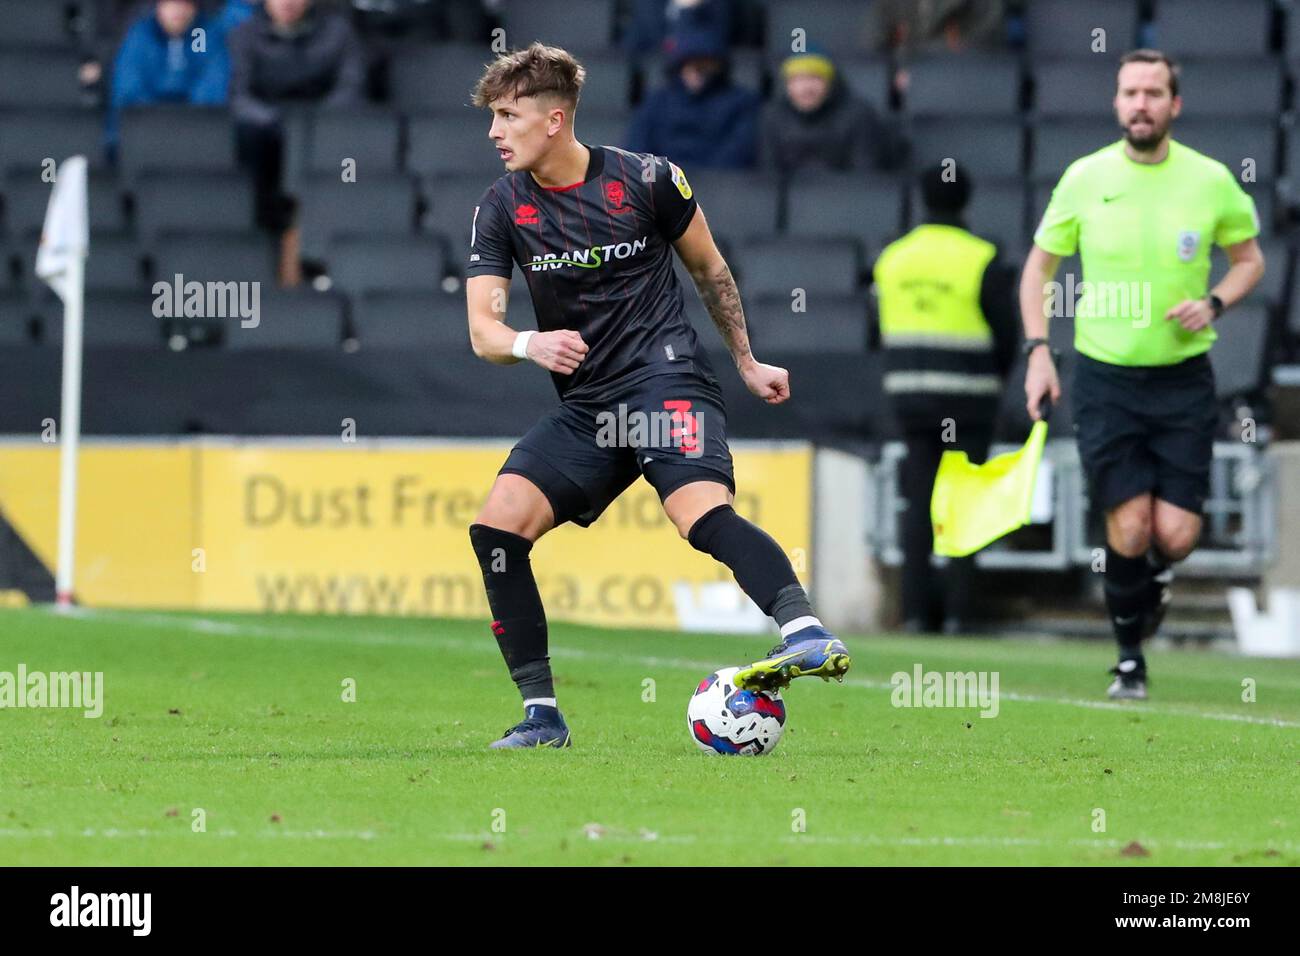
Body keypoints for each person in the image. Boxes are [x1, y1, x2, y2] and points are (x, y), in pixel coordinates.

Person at [463, 43, 850, 749]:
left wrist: (746, 359)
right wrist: (529, 343)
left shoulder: (648, 179)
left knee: (698, 516)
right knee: (497, 531)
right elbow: (483, 331)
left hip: (665, 379)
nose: (494, 131)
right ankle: (543, 717)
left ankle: (804, 631)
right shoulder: (500, 207)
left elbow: (710, 269)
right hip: (588, 405)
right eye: (493, 115)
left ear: (554, 120)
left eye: (507, 115)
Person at [1023, 50, 1265, 699]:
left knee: (1176, 536)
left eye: (1154, 93)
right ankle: (1130, 660)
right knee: (1129, 527)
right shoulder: (1085, 177)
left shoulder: (1211, 181)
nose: (1140, 103)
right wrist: (1039, 350)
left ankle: (1155, 576)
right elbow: (1038, 271)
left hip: (1183, 378)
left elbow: (1250, 261)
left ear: (1174, 105)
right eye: (1130, 92)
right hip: (1105, 378)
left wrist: (1214, 301)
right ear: (1117, 102)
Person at [872, 165, 1017, 633]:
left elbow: (878, 330)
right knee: (963, 502)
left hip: (909, 396)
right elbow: (1007, 334)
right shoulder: (983, 257)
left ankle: (915, 613)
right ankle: (958, 613)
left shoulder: (892, 259)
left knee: (918, 501)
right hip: (969, 399)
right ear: (967, 200)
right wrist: (995, 376)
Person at [228, 0, 366, 229]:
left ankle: (334, 229)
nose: (287, 3)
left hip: (324, 123)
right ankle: (261, 226)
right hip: (266, 125)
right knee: (246, 135)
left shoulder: (339, 32)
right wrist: (274, 121)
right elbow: (238, 95)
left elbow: (351, 87)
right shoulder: (244, 34)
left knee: (354, 137)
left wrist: (317, 121)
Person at [624, 27, 759, 169]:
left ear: (719, 67)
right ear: (678, 67)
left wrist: (703, 181)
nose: (697, 72)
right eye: (689, 65)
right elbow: (638, 146)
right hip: (662, 183)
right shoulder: (657, 102)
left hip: (718, 185)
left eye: (705, 65)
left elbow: (737, 151)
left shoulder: (740, 103)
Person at [760, 44, 902, 177]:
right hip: (792, 200)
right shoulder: (772, 116)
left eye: (815, 78)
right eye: (797, 80)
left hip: (846, 199)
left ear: (831, 83)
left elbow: (865, 180)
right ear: (787, 85)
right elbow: (768, 180)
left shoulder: (860, 115)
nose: (806, 88)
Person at [106, 0, 230, 151]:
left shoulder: (202, 34)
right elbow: (128, 88)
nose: (178, 10)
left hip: (195, 129)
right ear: (158, 6)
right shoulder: (140, 34)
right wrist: (161, 123)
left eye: (185, 4)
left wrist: (185, 122)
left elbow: (213, 83)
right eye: (171, 3)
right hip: (143, 128)